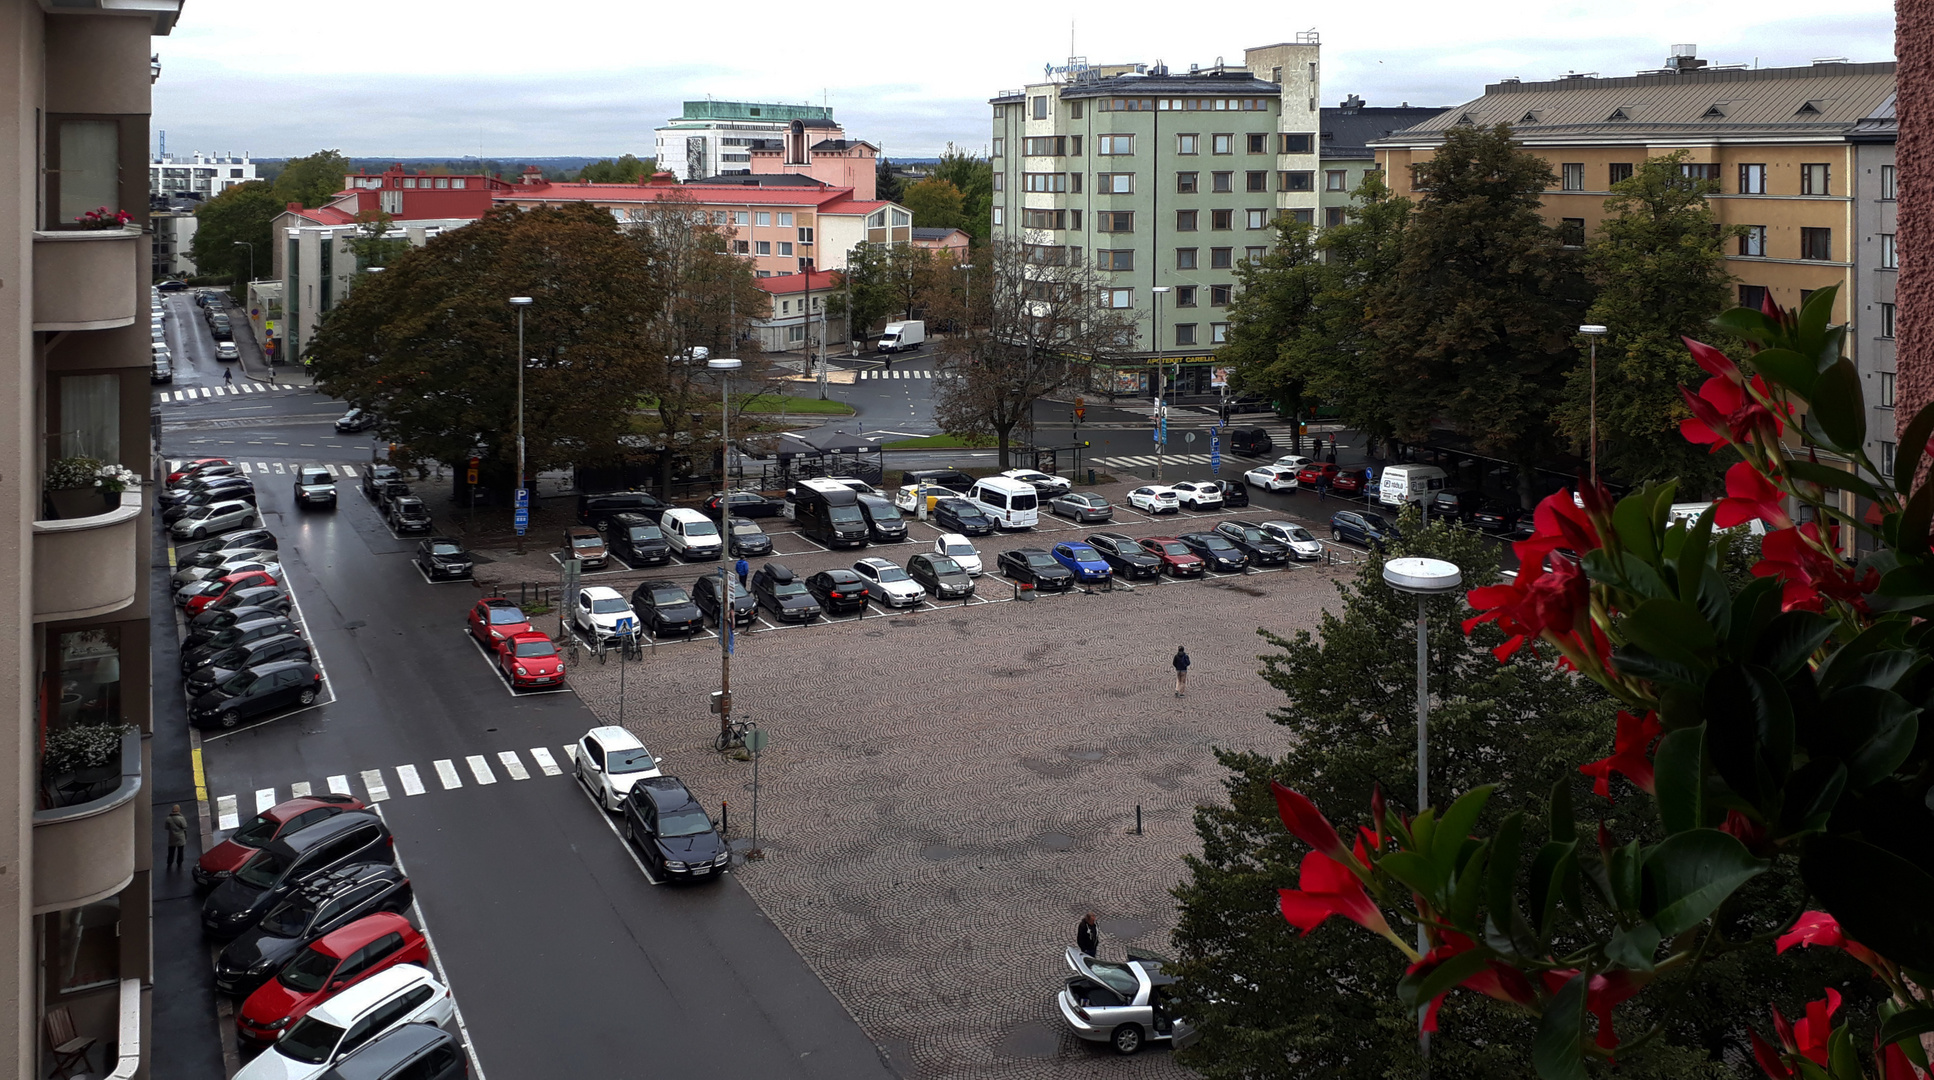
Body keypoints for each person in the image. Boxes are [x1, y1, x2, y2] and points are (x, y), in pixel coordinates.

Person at [164, 804, 188, 869]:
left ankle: (170, 862)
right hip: (180, 838)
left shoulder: (168, 819)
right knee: (180, 851)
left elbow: (166, 827)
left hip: (172, 837)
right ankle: (179, 863)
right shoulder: (181, 818)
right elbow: (185, 826)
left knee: (171, 851)